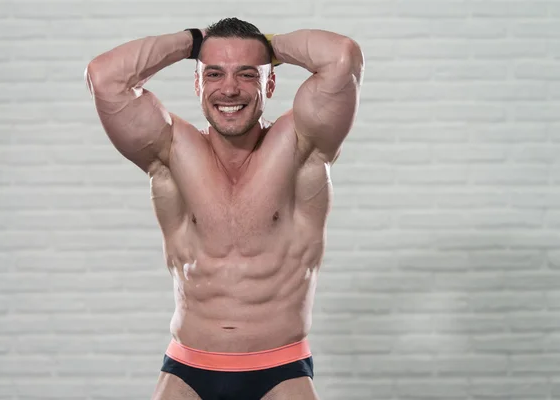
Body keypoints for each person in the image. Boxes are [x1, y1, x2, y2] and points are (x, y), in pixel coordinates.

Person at [85, 17, 364, 400]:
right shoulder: (171, 151)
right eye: (214, 73)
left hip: (281, 373)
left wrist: (266, 45)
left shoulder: (301, 147)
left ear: (269, 83)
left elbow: (342, 57)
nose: (229, 88)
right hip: (187, 373)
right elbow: (104, 77)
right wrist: (193, 42)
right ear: (197, 83)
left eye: (248, 75)